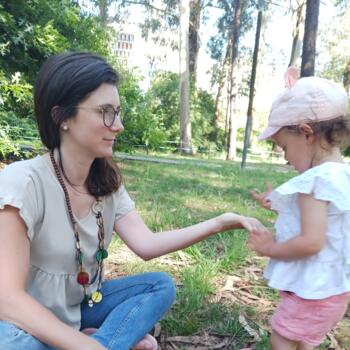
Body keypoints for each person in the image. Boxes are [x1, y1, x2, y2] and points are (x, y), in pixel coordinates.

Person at [0, 51, 267, 350]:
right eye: (105, 112)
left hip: (76, 309)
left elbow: (146, 245)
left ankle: (89, 340)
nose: (119, 125)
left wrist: (220, 222)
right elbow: (8, 300)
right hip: (19, 323)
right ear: (61, 117)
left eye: (118, 111)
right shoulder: (22, 183)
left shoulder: (106, 183)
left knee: (158, 286)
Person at [248, 67, 350, 350]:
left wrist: (270, 249)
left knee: (281, 339)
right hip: (334, 291)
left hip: (310, 293)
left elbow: (311, 241)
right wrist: (279, 204)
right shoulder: (342, 176)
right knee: (303, 342)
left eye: (283, 147)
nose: (285, 158)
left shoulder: (314, 181)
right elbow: (325, 224)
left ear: (306, 133)